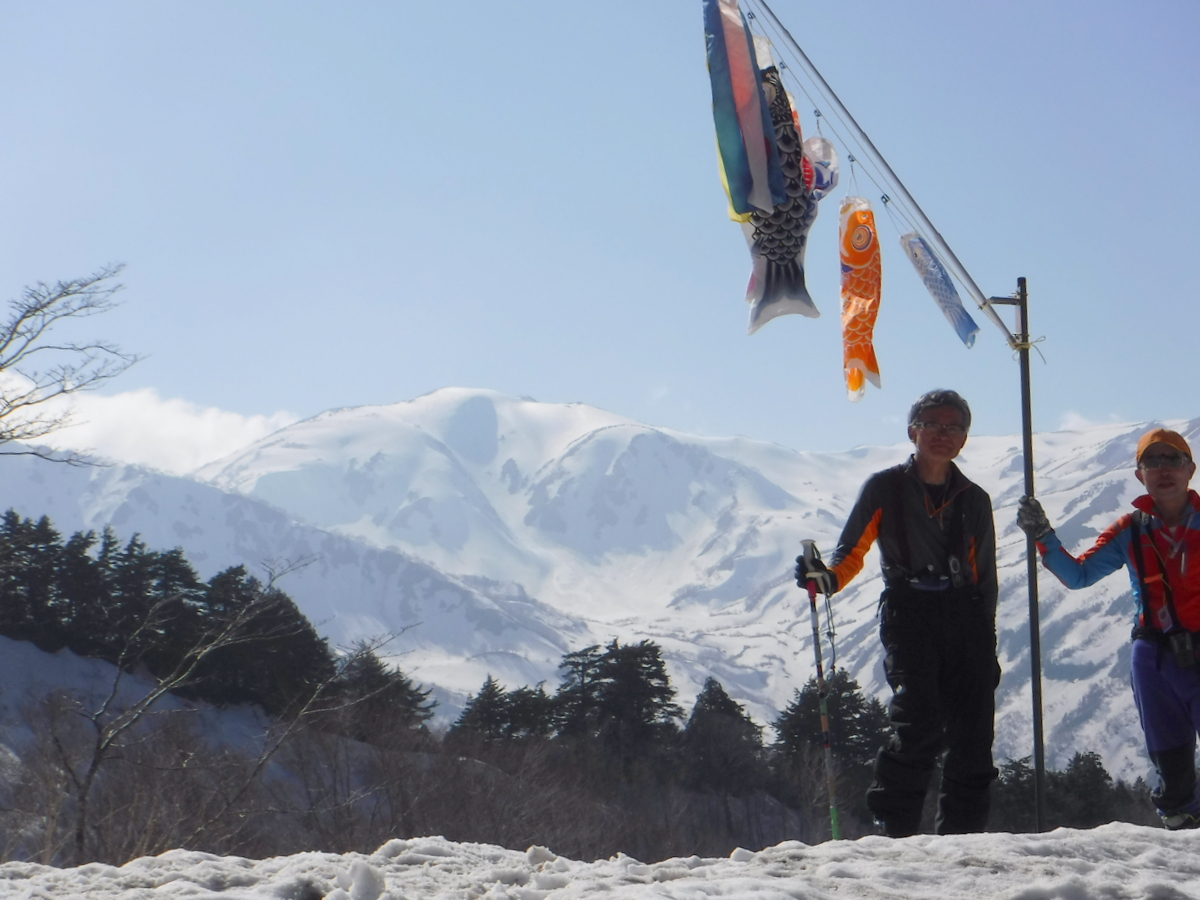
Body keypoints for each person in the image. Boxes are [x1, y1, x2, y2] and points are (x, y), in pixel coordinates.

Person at [797, 389, 1000, 837]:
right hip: (911, 613)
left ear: (964, 438)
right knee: (919, 719)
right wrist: (826, 579)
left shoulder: (974, 499)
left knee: (973, 733)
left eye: (953, 426)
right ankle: (895, 831)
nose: (943, 434)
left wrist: (985, 637)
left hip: (965, 616)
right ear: (913, 432)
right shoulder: (884, 488)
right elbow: (851, 552)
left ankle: (963, 837)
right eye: (933, 424)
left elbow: (984, 575)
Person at [1017, 427, 1200, 830]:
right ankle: (1181, 825)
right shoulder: (1129, 530)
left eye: (1173, 459)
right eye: (1152, 461)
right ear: (1140, 475)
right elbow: (1079, 575)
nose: (1163, 469)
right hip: (1154, 657)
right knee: (1170, 756)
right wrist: (1043, 536)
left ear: (1190, 469)